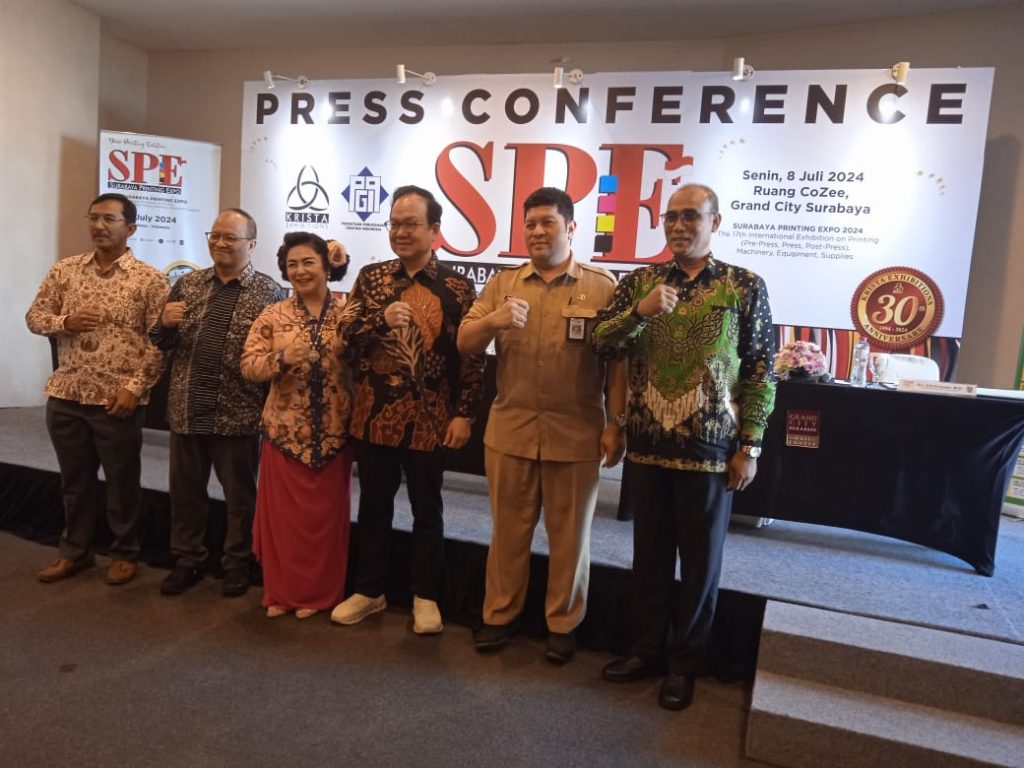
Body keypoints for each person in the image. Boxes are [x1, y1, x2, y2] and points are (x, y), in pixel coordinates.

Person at [592, 183, 776, 710]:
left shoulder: (744, 286)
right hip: (647, 448)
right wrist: (640, 313)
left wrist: (751, 445)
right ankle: (646, 650)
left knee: (700, 566)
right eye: (670, 217)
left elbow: (761, 372)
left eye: (690, 216)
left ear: (714, 222)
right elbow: (602, 343)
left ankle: (684, 665)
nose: (678, 225)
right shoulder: (641, 283)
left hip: (711, 453)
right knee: (648, 559)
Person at [458, 187, 626, 663]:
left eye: (547, 223)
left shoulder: (602, 287)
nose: (536, 231)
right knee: (508, 534)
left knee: (569, 538)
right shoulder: (502, 284)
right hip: (510, 432)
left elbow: (618, 366)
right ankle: (500, 615)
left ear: (570, 228)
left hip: (576, 434)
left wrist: (617, 424)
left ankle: (563, 623)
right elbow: (465, 342)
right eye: (530, 224)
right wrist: (493, 321)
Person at [330, 185, 484, 635]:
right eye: (394, 223)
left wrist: (465, 413)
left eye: (410, 224)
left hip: (430, 418)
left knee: (427, 510)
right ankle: (369, 591)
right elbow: (344, 334)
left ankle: (426, 596)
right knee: (374, 507)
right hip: (374, 413)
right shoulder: (372, 277)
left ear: (434, 230)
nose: (400, 232)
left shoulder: (457, 286)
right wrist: (379, 320)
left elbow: (470, 357)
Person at [26, 193, 169, 586]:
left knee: (122, 484)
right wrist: (66, 322)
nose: (99, 226)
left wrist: (135, 388)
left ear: (131, 228)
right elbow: (34, 317)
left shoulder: (150, 280)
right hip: (67, 394)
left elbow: (160, 343)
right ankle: (75, 552)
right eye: (93, 218)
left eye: (109, 219)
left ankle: (125, 553)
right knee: (74, 483)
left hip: (115, 400)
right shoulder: (66, 270)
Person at [150, 209, 284, 597]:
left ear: (251, 245)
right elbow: (160, 342)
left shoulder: (269, 293)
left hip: (237, 414)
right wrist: (164, 324)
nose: (221, 243)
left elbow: (274, 358)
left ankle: (237, 563)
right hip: (187, 407)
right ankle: (187, 560)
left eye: (231, 238)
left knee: (240, 499)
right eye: (215, 235)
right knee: (186, 495)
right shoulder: (187, 284)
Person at [240, 232, 353, 619]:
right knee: (285, 523)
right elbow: (248, 366)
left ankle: (319, 595)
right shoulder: (273, 315)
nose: (300, 271)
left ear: (326, 266)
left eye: (308, 262)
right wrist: (281, 359)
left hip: (335, 436)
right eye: (292, 264)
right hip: (284, 435)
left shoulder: (348, 313)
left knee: (324, 524)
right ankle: (282, 593)